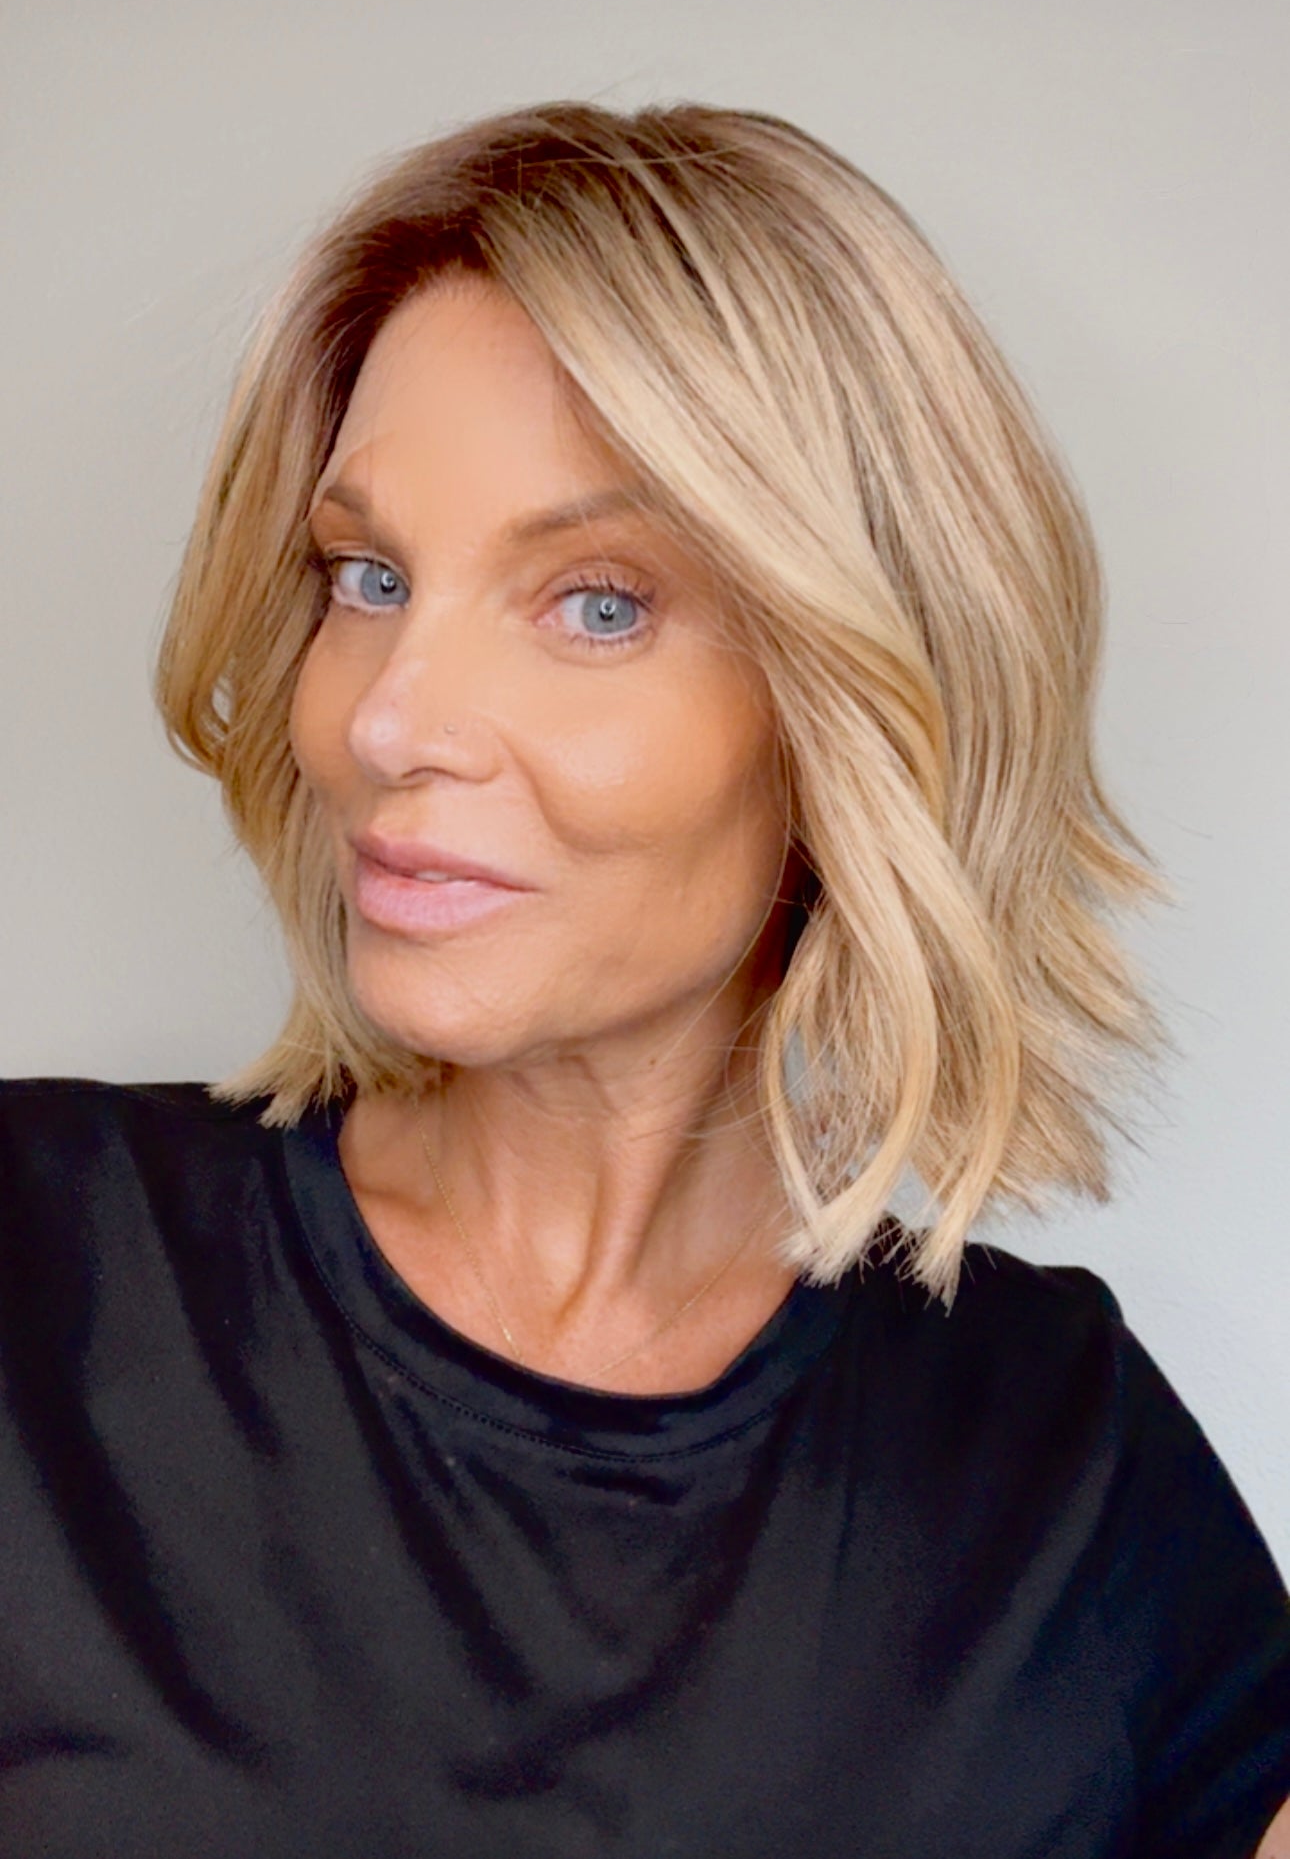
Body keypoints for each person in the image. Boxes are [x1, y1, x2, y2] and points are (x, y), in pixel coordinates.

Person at [1, 101, 1286, 1858]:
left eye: (596, 603)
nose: (389, 718)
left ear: (853, 703)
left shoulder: (1064, 1469)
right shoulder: (41, 1266)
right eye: (367, 576)